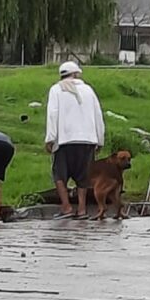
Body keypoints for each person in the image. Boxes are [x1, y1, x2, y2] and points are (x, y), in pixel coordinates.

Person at [45, 60, 105, 219]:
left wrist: (50, 138)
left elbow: (53, 114)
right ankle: (82, 209)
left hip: (65, 139)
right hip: (87, 140)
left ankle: (66, 207)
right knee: (83, 176)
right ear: (77, 74)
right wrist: (100, 139)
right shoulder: (88, 90)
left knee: (59, 174)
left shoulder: (56, 90)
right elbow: (98, 115)